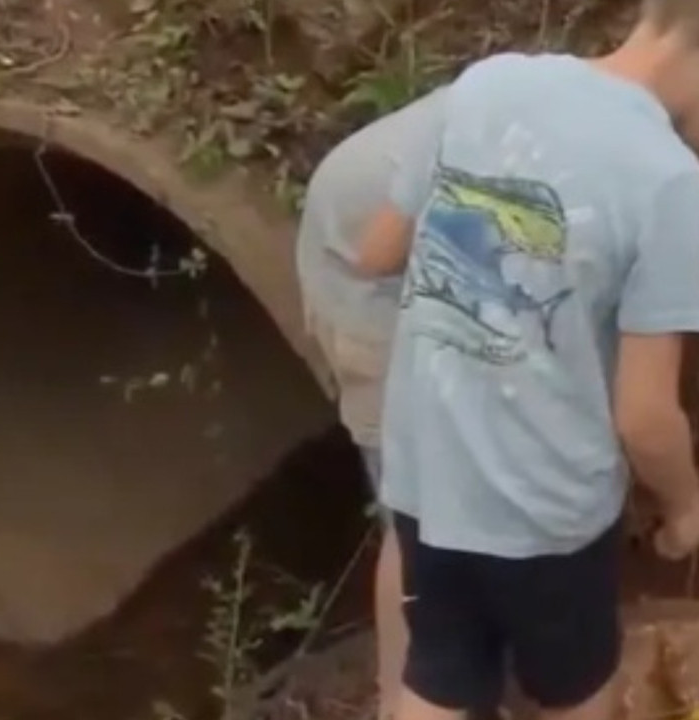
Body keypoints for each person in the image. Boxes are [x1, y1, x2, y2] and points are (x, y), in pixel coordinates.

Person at [350, 3, 699, 720]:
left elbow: (378, 252)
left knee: (438, 678)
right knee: (577, 694)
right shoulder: (667, 181)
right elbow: (645, 416)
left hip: (428, 477)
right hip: (544, 513)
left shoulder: (490, 84)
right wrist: (686, 507)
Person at [294, 88, 449, 720]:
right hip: (363, 278)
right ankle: (400, 699)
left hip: (397, 247)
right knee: (418, 517)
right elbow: (377, 253)